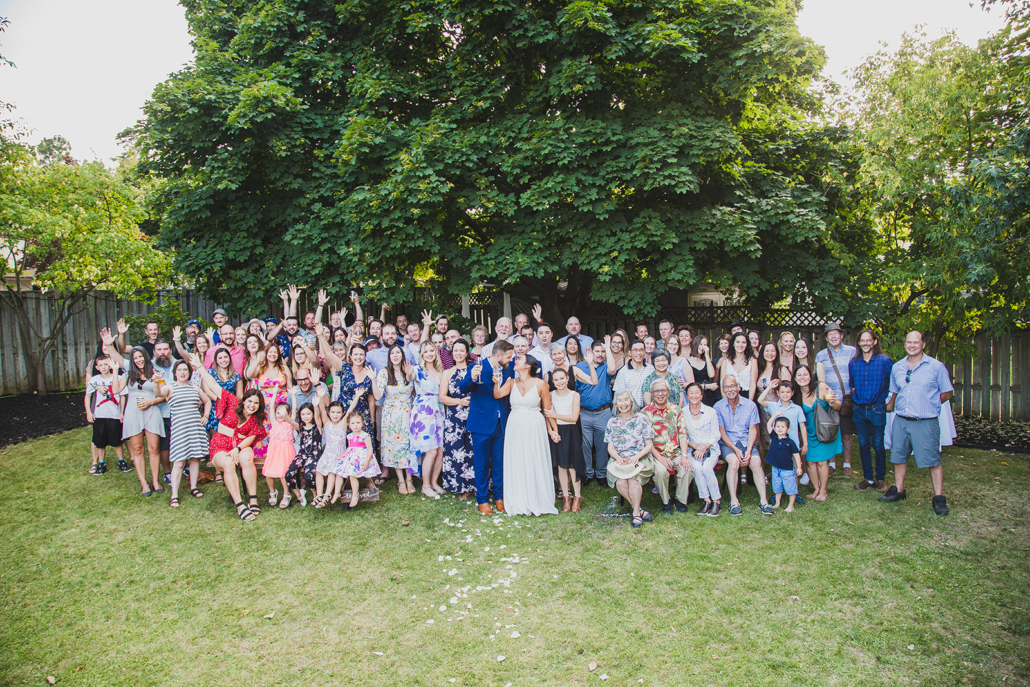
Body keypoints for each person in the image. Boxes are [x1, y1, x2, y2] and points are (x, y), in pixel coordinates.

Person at [880, 331, 954, 516]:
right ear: (905, 344)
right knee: (898, 457)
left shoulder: (936, 367)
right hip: (902, 420)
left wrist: (931, 403)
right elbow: (895, 391)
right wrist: (890, 405)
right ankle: (899, 490)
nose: (912, 345)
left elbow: (947, 392)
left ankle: (938, 498)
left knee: (932, 460)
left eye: (916, 342)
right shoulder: (898, 367)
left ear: (923, 345)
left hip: (925, 422)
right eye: (909, 342)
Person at [191, 354, 267, 520]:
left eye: (256, 403)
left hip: (240, 445)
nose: (252, 406)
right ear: (244, 401)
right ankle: (240, 505)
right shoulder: (232, 402)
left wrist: (238, 449)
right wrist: (199, 367)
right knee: (227, 463)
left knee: (247, 457)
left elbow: (251, 438)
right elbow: (212, 384)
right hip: (220, 444)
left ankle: (253, 499)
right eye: (250, 402)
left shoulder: (256, 418)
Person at [492, 354, 559, 516]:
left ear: (528, 365)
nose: (515, 361)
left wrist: (553, 430)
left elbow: (548, 409)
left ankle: (536, 499)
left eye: (519, 360)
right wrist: (496, 384)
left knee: (533, 457)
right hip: (515, 424)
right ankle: (519, 499)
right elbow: (498, 395)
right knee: (518, 458)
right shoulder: (511, 382)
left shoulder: (541, 384)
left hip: (534, 424)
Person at [457, 339, 515, 515]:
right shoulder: (477, 366)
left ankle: (499, 497)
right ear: (498, 355)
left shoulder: (509, 369)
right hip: (481, 423)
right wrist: (472, 377)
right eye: (509, 356)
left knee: (499, 463)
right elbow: (462, 388)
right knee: (481, 464)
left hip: (501, 423)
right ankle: (482, 500)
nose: (511, 360)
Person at [109, 342, 166, 496]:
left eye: (140, 357)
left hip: (151, 410)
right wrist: (115, 372)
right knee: (137, 449)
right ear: (132, 360)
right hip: (133, 412)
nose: (138, 360)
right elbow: (115, 390)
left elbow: (162, 394)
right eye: (135, 358)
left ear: (145, 357)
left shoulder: (156, 372)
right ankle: (143, 483)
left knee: (154, 448)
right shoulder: (128, 374)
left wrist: (154, 388)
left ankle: (155, 480)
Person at [715, 375, 774, 516]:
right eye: (726, 387)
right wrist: (735, 449)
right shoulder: (718, 407)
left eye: (732, 386)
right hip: (728, 444)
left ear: (739, 387)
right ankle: (734, 502)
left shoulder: (750, 405)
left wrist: (748, 450)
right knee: (734, 463)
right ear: (723, 390)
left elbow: (753, 429)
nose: (730, 389)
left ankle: (764, 502)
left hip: (747, 442)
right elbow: (721, 432)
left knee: (756, 461)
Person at [849, 329, 893, 491]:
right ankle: (868, 478)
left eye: (869, 340)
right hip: (859, 409)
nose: (865, 343)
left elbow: (894, 384)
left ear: (875, 342)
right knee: (863, 444)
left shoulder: (885, 361)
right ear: (859, 343)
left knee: (878, 444)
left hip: (877, 409)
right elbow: (851, 384)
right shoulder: (854, 363)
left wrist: (890, 402)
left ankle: (880, 479)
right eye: (862, 341)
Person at [640, 379, 692, 514]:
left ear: (668, 392)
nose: (660, 394)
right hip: (655, 454)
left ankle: (680, 500)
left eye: (663, 390)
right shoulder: (644, 413)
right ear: (652, 393)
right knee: (661, 471)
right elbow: (646, 442)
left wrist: (684, 456)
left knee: (686, 469)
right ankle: (666, 500)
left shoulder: (677, 410)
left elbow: (682, 434)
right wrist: (661, 459)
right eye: (656, 391)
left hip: (675, 452)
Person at [604, 391, 655, 528]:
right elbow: (610, 448)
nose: (623, 404)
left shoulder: (641, 418)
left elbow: (649, 445)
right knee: (621, 482)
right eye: (619, 401)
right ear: (616, 404)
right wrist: (618, 458)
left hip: (639, 457)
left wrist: (636, 457)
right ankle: (638, 510)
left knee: (633, 481)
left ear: (631, 401)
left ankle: (636, 514)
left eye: (626, 400)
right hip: (619, 459)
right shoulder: (612, 422)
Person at [164, 359, 210, 507]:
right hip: (179, 429)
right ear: (175, 373)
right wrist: (157, 382)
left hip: (195, 427)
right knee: (179, 461)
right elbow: (158, 392)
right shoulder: (169, 388)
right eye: (180, 370)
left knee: (195, 458)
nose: (183, 372)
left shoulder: (194, 387)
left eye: (185, 370)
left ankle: (193, 487)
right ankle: (174, 494)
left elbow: (207, 401)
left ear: (189, 372)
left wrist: (206, 416)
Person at [373, 344, 416, 494]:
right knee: (396, 446)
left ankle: (410, 479)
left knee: (409, 445)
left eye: (398, 352)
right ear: (389, 356)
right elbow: (378, 396)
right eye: (393, 353)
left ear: (402, 355)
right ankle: (401, 480)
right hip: (391, 415)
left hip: (408, 413)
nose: (395, 355)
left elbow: (412, 381)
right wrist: (373, 379)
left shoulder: (408, 370)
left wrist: (409, 373)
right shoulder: (384, 373)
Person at [815, 322, 857, 477]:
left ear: (841, 335)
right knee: (830, 432)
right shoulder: (821, 355)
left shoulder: (852, 352)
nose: (833, 336)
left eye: (836, 333)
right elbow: (819, 379)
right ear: (826, 338)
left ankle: (847, 465)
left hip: (846, 399)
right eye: (829, 334)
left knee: (846, 433)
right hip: (829, 399)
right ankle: (832, 464)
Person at [794, 364, 841, 501]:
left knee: (821, 462)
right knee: (809, 462)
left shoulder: (820, 387)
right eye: (799, 375)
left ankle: (823, 491)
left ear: (810, 376)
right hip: (808, 433)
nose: (803, 377)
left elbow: (838, 405)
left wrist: (832, 402)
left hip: (823, 431)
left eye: (805, 374)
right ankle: (816, 489)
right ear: (795, 379)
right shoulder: (796, 394)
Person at [439, 339, 476, 499]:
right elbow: (442, 397)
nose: (459, 353)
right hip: (454, 417)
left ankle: (474, 485)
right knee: (456, 450)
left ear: (467, 353)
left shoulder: (473, 370)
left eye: (462, 350)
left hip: (473, 415)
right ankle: (459, 485)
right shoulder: (447, 372)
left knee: (473, 450)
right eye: (456, 350)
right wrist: (459, 401)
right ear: (452, 353)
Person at [544, 367, 584, 512]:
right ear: (552, 382)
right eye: (556, 380)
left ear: (567, 379)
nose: (559, 382)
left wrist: (554, 414)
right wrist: (551, 432)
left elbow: (574, 418)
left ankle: (577, 497)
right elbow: (546, 416)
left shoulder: (574, 395)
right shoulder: (550, 395)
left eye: (562, 378)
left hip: (571, 431)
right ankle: (566, 497)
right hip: (557, 431)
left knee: (573, 465)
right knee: (561, 466)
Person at [410, 340, 446, 497]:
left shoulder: (441, 371)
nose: (429, 354)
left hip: (439, 410)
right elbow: (408, 376)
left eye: (432, 351)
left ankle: (433, 482)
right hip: (424, 411)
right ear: (422, 355)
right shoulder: (417, 370)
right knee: (430, 451)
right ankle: (425, 485)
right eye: (426, 351)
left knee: (440, 450)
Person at [246, 342, 293, 462]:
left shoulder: (284, 368)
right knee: (265, 429)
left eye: (275, 352)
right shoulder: (261, 368)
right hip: (264, 405)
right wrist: (258, 359)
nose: (273, 354)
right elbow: (249, 375)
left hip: (280, 403)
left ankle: (280, 456)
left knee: (279, 429)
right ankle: (265, 457)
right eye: (270, 352)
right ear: (266, 354)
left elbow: (291, 388)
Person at [682, 382, 721, 516]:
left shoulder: (711, 412)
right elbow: (682, 436)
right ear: (687, 396)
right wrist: (695, 446)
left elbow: (716, 433)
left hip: (710, 448)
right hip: (692, 448)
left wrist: (704, 446)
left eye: (696, 392)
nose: (694, 395)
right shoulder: (682, 413)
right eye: (691, 393)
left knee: (706, 468)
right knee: (697, 469)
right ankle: (706, 500)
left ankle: (716, 501)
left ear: (701, 395)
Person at [84, 353, 127, 475]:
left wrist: (122, 412)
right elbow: (87, 397)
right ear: (96, 367)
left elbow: (122, 397)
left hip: (114, 414)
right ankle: (101, 463)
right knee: (100, 441)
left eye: (105, 365)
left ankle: (121, 462)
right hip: (100, 415)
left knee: (117, 440)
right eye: (100, 365)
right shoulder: (94, 380)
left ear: (110, 365)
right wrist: (89, 412)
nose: (103, 367)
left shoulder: (118, 378)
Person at [578, 340, 613, 486]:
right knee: (585, 444)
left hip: (603, 412)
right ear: (591, 352)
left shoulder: (606, 367)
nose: (600, 354)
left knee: (602, 445)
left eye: (603, 351)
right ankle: (587, 473)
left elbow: (612, 370)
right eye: (597, 351)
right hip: (584, 412)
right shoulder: (580, 366)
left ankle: (601, 474)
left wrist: (608, 347)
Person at [332, 410, 381, 510]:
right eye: (353, 423)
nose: (355, 425)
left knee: (352, 475)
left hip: (361, 459)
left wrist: (366, 461)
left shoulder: (365, 436)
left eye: (358, 423)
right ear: (349, 425)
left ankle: (355, 495)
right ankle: (337, 492)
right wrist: (342, 456)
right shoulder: (350, 436)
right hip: (351, 457)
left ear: (362, 423)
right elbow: (349, 447)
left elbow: (370, 449)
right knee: (339, 472)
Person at [284, 402, 321, 508]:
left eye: (308, 414)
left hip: (313, 456)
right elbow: (290, 421)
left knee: (309, 476)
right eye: (303, 414)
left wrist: (316, 406)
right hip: (302, 455)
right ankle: (300, 496)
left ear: (313, 414)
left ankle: (315, 496)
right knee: (288, 474)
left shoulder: (317, 427)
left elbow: (318, 416)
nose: (305, 417)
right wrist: (285, 415)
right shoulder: (300, 427)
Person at [263, 402, 299, 508]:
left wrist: (292, 396)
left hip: (286, 452)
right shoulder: (274, 422)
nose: (279, 415)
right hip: (274, 452)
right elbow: (270, 407)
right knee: (268, 473)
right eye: (278, 412)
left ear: (288, 414)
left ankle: (286, 494)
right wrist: (274, 394)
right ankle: (272, 492)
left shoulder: (289, 423)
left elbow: (295, 408)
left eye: (282, 413)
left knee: (283, 474)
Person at [313, 401, 348, 508]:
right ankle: (319, 495)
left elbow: (350, 410)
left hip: (338, 454)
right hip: (327, 453)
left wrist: (356, 397)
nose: (335, 414)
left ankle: (327, 495)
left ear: (342, 414)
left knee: (332, 472)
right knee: (319, 470)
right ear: (329, 413)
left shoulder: (343, 424)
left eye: (338, 412)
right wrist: (319, 400)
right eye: (333, 412)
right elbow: (322, 410)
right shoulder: (327, 424)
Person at [765, 416, 803, 512]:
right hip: (776, 468)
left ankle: (791, 505)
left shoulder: (790, 442)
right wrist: (775, 415)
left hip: (787, 469)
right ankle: (777, 503)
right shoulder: (774, 437)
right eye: (778, 426)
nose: (780, 429)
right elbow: (768, 424)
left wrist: (799, 467)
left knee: (791, 487)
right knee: (777, 487)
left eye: (783, 427)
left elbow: (796, 455)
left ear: (788, 429)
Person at [612, 339, 653, 410]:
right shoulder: (623, 372)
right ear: (630, 352)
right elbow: (618, 394)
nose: (638, 353)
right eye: (635, 350)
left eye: (641, 350)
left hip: (648, 409)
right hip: (630, 410)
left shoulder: (650, 369)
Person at [719, 333, 757, 401]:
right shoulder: (725, 361)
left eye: (743, 342)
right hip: (729, 396)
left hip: (747, 396)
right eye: (738, 342)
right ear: (733, 344)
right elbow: (722, 384)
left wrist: (749, 403)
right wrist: (726, 403)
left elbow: (753, 384)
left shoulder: (752, 361)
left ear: (747, 345)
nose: (740, 345)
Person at [687, 336, 718, 407]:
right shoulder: (687, 362)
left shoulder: (707, 361)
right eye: (701, 344)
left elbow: (711, 375)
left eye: (705, 345)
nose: (702, 347)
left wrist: (707, 356)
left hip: (707, 396)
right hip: (695, 395)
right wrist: (708, 386)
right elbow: (690, 384)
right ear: (695, 344)